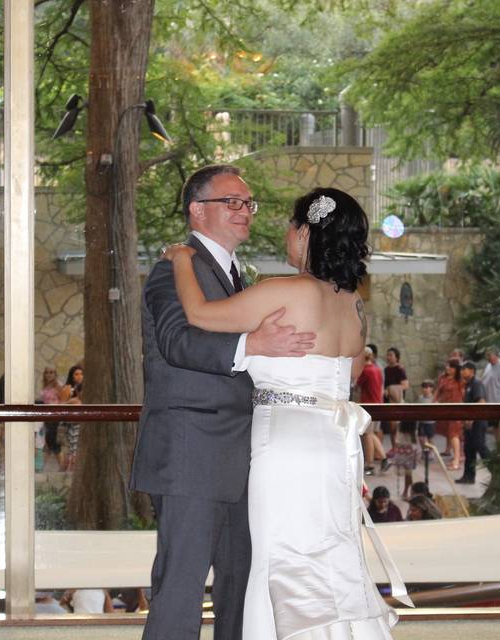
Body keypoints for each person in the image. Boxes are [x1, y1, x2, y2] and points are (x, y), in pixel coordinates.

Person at [162, 185, 411, 638]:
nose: (286, 232)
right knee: (333, 555)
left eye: (292, 226)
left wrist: (180, 258)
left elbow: (198, 314)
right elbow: (351, 370)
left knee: (282, 557)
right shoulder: (353, 304)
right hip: (336, 447)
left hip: (286, 447)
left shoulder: (282, 291)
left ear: (305, 235)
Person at [130, 164, 319, 640]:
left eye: (248, 203)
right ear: (197, 210)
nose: (244, 211)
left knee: (241, 589)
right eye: (231, 202)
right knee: (181, 588)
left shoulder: (238, 275)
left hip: (244, 458)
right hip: (191, 453)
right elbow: (176, 341)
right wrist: (251, 345)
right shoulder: (173, 266)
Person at [356, 344, 388, 475]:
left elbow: (357, 385)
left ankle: (369, 465)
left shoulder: (366, 370)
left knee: (367, 434)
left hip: (369, 405)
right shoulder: (377, 369)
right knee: (371, 434)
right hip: (378, 404)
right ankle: (384, 458)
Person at [457, 362, 490, 484]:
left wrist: (471, 418)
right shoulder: (467, 385)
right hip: (468, 424)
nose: (461, 371)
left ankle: (497, 472)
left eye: (464, 369)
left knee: (481, 447)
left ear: (471, 371)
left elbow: (481, 402)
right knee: (468, 450)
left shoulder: (477, 384)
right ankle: (468, 476)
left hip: (478, 422)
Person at [434, 358, 465, 470]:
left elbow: (464, 394)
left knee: (454, 434)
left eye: (451, 366)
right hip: (445, 409)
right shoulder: (443, 378)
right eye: (447, 366)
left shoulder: (460, 380)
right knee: (451, 434)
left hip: (457, 410)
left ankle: (456, 460)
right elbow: (438, 391)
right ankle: (458, 456)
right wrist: (434, 402)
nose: (447, 368)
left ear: (456, 369)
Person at [382, 347, 409, 447]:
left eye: (391, 355)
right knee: (390, 426)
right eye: (387, 355)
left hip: (397, 401)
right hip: (387, 401)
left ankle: (396, 448)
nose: (388, 357)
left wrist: (390, 389)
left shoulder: (400, 369)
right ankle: (394, 447)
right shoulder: (385, 369)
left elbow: (405, 385)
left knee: (395, 426)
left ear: (397, 357)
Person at [416, 380, 436, 452]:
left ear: (431, 389)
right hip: (422, 421)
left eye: (428, 387)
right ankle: (424, 451)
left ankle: (431, 452)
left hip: (430, 422)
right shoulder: (420, 398)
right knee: (421, 437)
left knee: (430, 438)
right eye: (424, 387)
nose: (426, 389)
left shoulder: (434, 398)